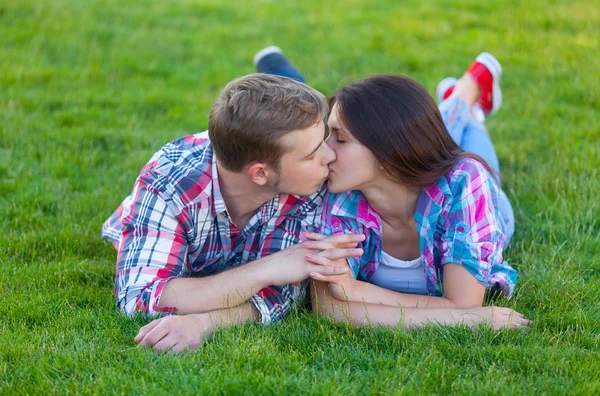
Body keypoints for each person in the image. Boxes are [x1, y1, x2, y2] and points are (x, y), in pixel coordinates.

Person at [255, 48, 531, 330]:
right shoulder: (336, 193)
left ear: (388, 154)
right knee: (429, 133)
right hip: (407, 161)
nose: (323, 152)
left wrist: (358, 292)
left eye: (339, 139)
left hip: (488, 206)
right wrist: (461, 319)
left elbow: (464, 303)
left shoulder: (465, 183)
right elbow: (328, 307)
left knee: (463, 147)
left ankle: (466, 92)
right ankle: (464, 92)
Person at [101, 73, 366, 352]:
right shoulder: (169, 181)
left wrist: (205, 322)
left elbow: (283, 292)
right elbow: (138, 298)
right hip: (148, 222)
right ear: (260, 173)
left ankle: (279, 69)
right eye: (312, 155)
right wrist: (269, 268)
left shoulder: (311, 184)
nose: (331, 156)